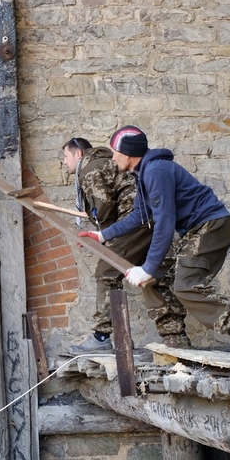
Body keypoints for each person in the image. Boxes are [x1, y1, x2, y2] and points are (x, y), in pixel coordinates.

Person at [80, 125, 230, 356]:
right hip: (196, 230)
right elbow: (139, 215)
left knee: (186, 284)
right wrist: (102, 235)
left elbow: (165, 222)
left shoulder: (156, 171)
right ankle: (175, 340)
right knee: (155, 279)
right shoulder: (144, 173)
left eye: (115, 152)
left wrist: (146, 268)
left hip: (212, 226)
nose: (113, 158)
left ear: (128, 154)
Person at [62, 137, 186, 354]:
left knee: (107, 272)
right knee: (154, 276)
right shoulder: (106, 162)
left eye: (65, 156)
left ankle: (101, 337)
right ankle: (174, 337)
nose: (64, 163)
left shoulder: (90, 167)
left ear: (78, 154)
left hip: (134, 219)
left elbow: (103, 209)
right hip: (150, 218)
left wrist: (103, 236)